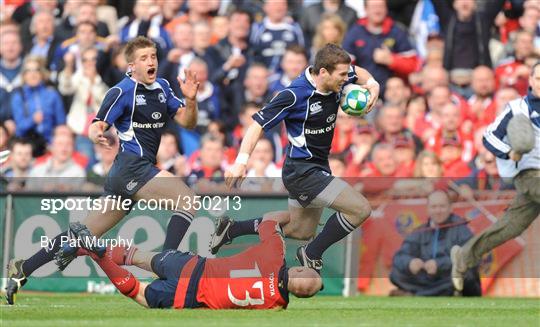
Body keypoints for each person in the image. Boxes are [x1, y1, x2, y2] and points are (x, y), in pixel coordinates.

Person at [5, 36, 199, 305]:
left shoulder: (164, 87)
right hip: (131, 169)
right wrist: (97, 134)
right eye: (144, 58)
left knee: (83, 234)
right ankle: (166, 268)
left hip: (133, 173)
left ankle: (23, 269)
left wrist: (191, 100)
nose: (151, 61)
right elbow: (97, 123)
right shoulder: (121, 91)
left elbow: (188, 123)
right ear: (131, 65)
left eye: (153, 56)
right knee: (187, 199)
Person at [218, 44, 380, 272]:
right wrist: (241, 161)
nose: (347, 79)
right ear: (323, 72)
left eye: (346, 74)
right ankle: (311, 253)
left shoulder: (336, 75)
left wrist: (373, 85)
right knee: (360, 209)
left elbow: (359, 72)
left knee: (299, 230)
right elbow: (257, 125)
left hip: (317, 166)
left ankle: (232, 229)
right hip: (303, 171)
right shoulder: (294, 94)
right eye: (342, 75)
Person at [77, 214, 321, 309]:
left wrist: (297, 214)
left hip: (192, 264)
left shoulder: (274, 253)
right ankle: (97, 256)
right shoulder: (275, 305)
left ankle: (83, 248)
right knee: (139, 293)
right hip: (190, 294)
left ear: (299, 268)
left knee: (139, 257)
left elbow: (269, 221)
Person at [451, 61, 540, 292]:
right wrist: (509, 152)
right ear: (530, 81)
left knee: (510, 227)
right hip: (530, 174)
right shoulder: (516, 109)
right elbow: (489, 137)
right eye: (539, 79)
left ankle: (464, 256)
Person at [390, 191, 481, 296]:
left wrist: (439, 265)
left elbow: (471, 258)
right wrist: (410, 262)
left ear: (450, 208)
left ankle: (419, 295)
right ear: (428, 209)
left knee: (466, 276)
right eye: (434, 207)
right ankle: (436, 293)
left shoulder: (461, 229)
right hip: (429, 279)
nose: (438, 211)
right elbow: (400, 256)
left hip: (448, 277)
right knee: (395, 274)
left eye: (442, 206)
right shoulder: (420, 230)